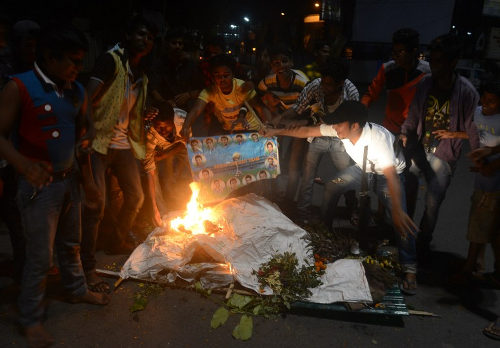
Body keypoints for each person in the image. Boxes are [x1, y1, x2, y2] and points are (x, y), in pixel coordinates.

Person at [0, 24, 110, 347]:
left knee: (71, 243)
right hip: (38, 187)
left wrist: (86, 141)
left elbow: (85, 125)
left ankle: (76, 290)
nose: (78, 68)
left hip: (69, 180)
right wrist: (24, 166)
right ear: (49, 57)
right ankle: (30, 318)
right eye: (72, 61)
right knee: (39, 257)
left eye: (80, 61)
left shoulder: (74, 90)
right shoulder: (19, 87)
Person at [263, 101, 418, 293]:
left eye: (338, 124)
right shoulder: (341, 129)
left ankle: (410, 268)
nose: (335, 128)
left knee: (400, 219)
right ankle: (324, 236)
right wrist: (276, 132)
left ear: (355, 125)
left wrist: (397, 210)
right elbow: (306, 131)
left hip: (388, 177)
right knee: (332, 187)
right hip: (363, 169)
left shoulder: (378, 140)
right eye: (334, 124)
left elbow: (391, 177)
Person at [81, 16, 156, 290]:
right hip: (100, 142)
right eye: (140, 34)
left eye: (149, 37)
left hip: (123, 143)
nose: (145, 40)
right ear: (127, 34)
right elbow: (87, 96)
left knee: (135, 196)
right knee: (95, 204)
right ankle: (87, 266)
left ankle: (116, 240)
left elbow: (129, 108)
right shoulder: (110, 60)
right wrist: (87, 128)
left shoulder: (139, 74)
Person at [401, 33, 480, 264]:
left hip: (444, 156)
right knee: (408, 194)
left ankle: (423, 244)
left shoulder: (466, 91)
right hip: (419, 150)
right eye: (432, 60)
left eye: (439, 61)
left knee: (433, 205)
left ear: (453, 62)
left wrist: (475, 154)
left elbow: (475, 129)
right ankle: (404, 238)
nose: (434, 66)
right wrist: (405, 134)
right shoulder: (426, 83)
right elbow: (414, 115)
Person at [275, 57, 359, 223]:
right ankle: (302, 215)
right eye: (323, 82)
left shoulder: (351, 93)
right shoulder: (315, 86)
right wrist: (279, 119)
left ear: (340, 84)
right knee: (307, 177)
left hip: (339, 138)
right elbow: (297, 108)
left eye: (329, 85)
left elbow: (351, 123)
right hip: (317, 135)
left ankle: (353, 209)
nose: (324, 87)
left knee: (347, 176)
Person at [258, 43, 309, 202]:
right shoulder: (267, 82)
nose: (281, 66)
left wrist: (302, 121)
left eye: (285, 61)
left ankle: (289, 198)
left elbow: (312, 107)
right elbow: (259, 100)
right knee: (273, 155)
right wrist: (268, 118)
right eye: (276, 63)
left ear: (291, 63)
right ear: (271, 66)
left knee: (295, 159)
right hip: (280, 118)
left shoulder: (303, 82)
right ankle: (273, 194)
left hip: (300, 120)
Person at [460, 82, 500, 281]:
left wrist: (491, 165)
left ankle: (469, 269)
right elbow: (475, 135)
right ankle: (478, 265)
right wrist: (480, 159)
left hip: (494, 181)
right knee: (488, 226)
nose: (485, 104)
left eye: (492, 101)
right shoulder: (477, 112)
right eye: (484, 98)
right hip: (482, 177)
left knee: (481, 224)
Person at [180, 54, 272, 137]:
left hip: (251, 129)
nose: (222, 79)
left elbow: (261, 108)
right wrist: (186, 126)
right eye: (217, 76)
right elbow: (196, 110)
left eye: (226, 75)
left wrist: (268, 126)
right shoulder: (210, 91)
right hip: (230, 132)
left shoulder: (241, 87)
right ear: (212, 77)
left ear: (232, 75)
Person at [361, 28, 430, 135]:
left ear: (414, 51)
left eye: (401, 52)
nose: (395, 56)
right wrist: (360, 110)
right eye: (394, 52)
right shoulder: (387, 69)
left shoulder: (427, 72)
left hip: (415, 130)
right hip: (390, 128)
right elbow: (371, 94)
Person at [143, 103, 190, 225]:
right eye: (159, 127)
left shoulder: (182, 120)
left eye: (166, 126)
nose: (163, 130)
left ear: (173, 121)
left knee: (192, 157)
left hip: (176, 144)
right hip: (157, 150)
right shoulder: (150, 136)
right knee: (154, 179)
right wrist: (154, 206)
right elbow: (149, 171)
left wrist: (164, 156)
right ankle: (161, 213)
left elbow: (185, 143)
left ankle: (184, 196)